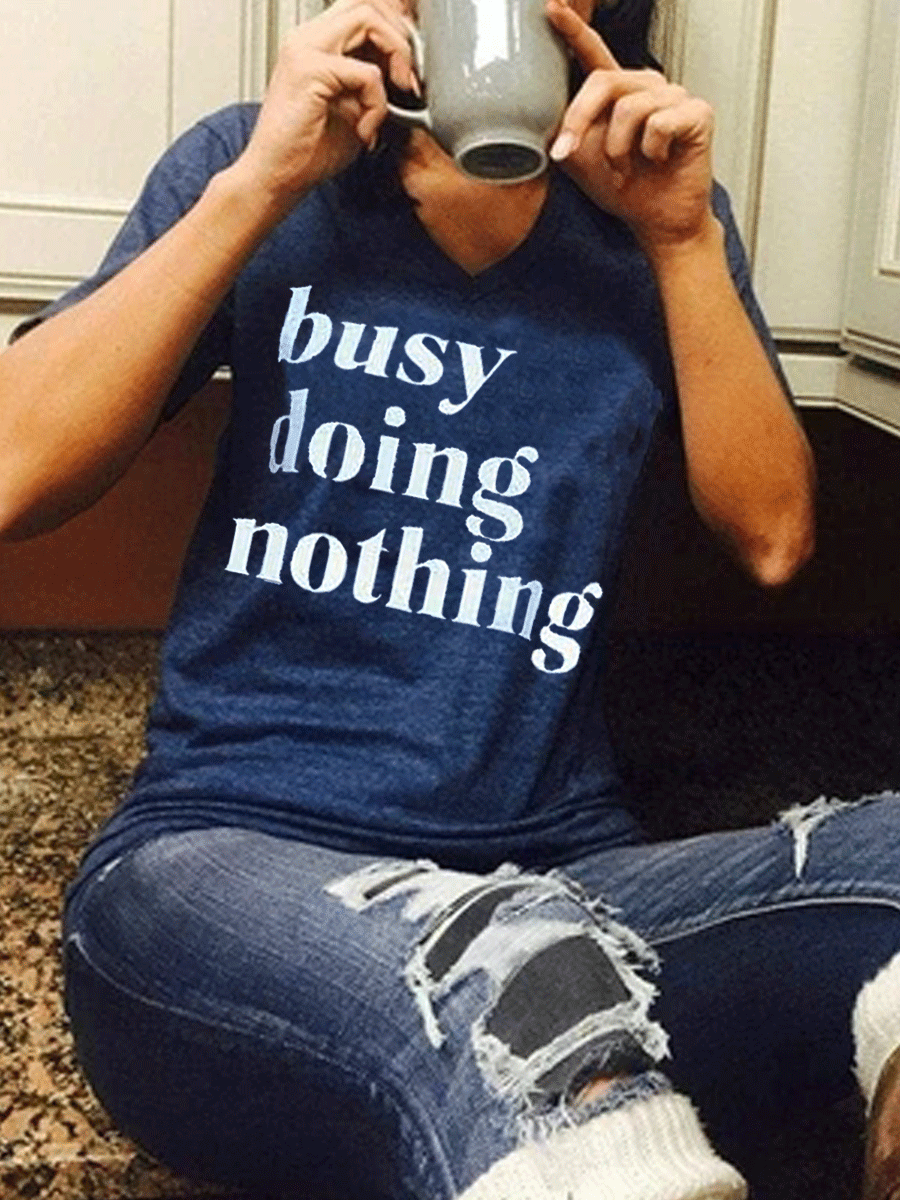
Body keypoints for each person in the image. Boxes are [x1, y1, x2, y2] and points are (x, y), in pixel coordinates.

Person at [1, 0, 899, 1196]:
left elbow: (775, 535)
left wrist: (681, 240)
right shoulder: (251, 160)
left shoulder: (654, 216)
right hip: (223, 871)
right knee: (525, 985)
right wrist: (262, 184)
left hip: (559, 888)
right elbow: (13, 471)